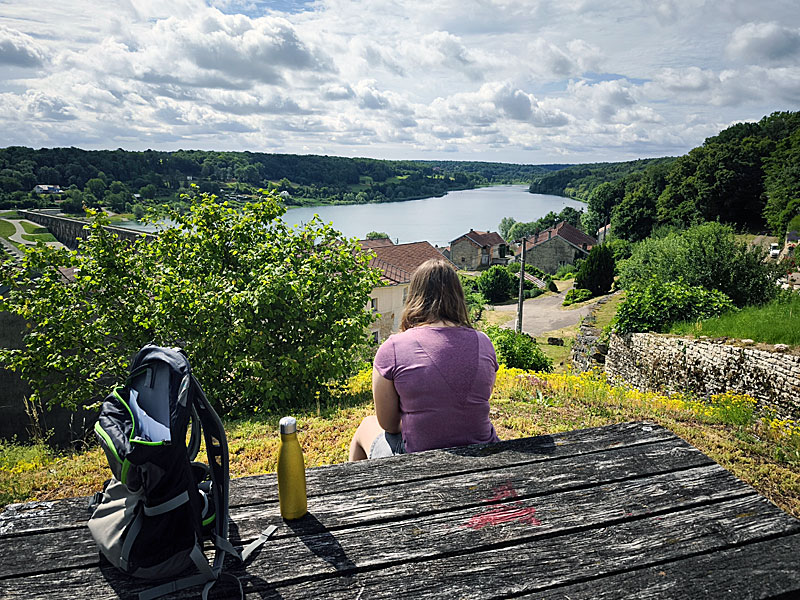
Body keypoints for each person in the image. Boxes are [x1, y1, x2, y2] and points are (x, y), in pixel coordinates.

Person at [349, 258, 500, 461]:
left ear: (414, 296)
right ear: (458, 296)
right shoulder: (484, 342)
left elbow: (389, 425)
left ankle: (359, 482)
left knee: (366, 426)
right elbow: (480, 397)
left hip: (420, 458)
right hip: (484, 451)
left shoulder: (393, 348)